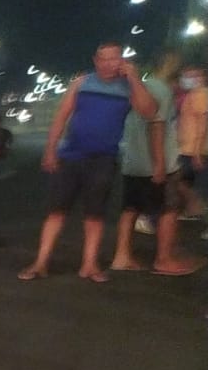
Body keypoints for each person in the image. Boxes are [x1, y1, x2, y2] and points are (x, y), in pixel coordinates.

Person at [20, 42, 157, 282]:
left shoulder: (129, 87)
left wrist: (134, 78)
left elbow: (149, 111)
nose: (108, 63)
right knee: (56, 211)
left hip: (103, 159)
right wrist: (50, 150)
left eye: (114, 58)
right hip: (72, 155)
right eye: (103, 58)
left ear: (122, 60)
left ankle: (89, 265)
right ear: (95, 60)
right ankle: (40, 263)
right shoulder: (82, 83)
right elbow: (61, 116)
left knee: (95, 214)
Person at [111, 52, 202, 276]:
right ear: (171, 67)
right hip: (156, 163)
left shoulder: (140, 87)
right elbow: (157, 126)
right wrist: (160, 165)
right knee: (168, 210)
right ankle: (164, 260)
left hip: (133, 162)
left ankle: (121, 257)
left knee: (130, 209)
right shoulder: (161, 89)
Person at [177, 61, 208, 220]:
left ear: (201, 77)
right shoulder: (192, 94)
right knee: (184, 182)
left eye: (190, 75)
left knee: (181, 181)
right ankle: (193, 209)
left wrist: (197, 152)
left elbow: (203, 123)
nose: (185, 78)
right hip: (187, 148)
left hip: (193, 150)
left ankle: (196, 207)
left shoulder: (201, 95)